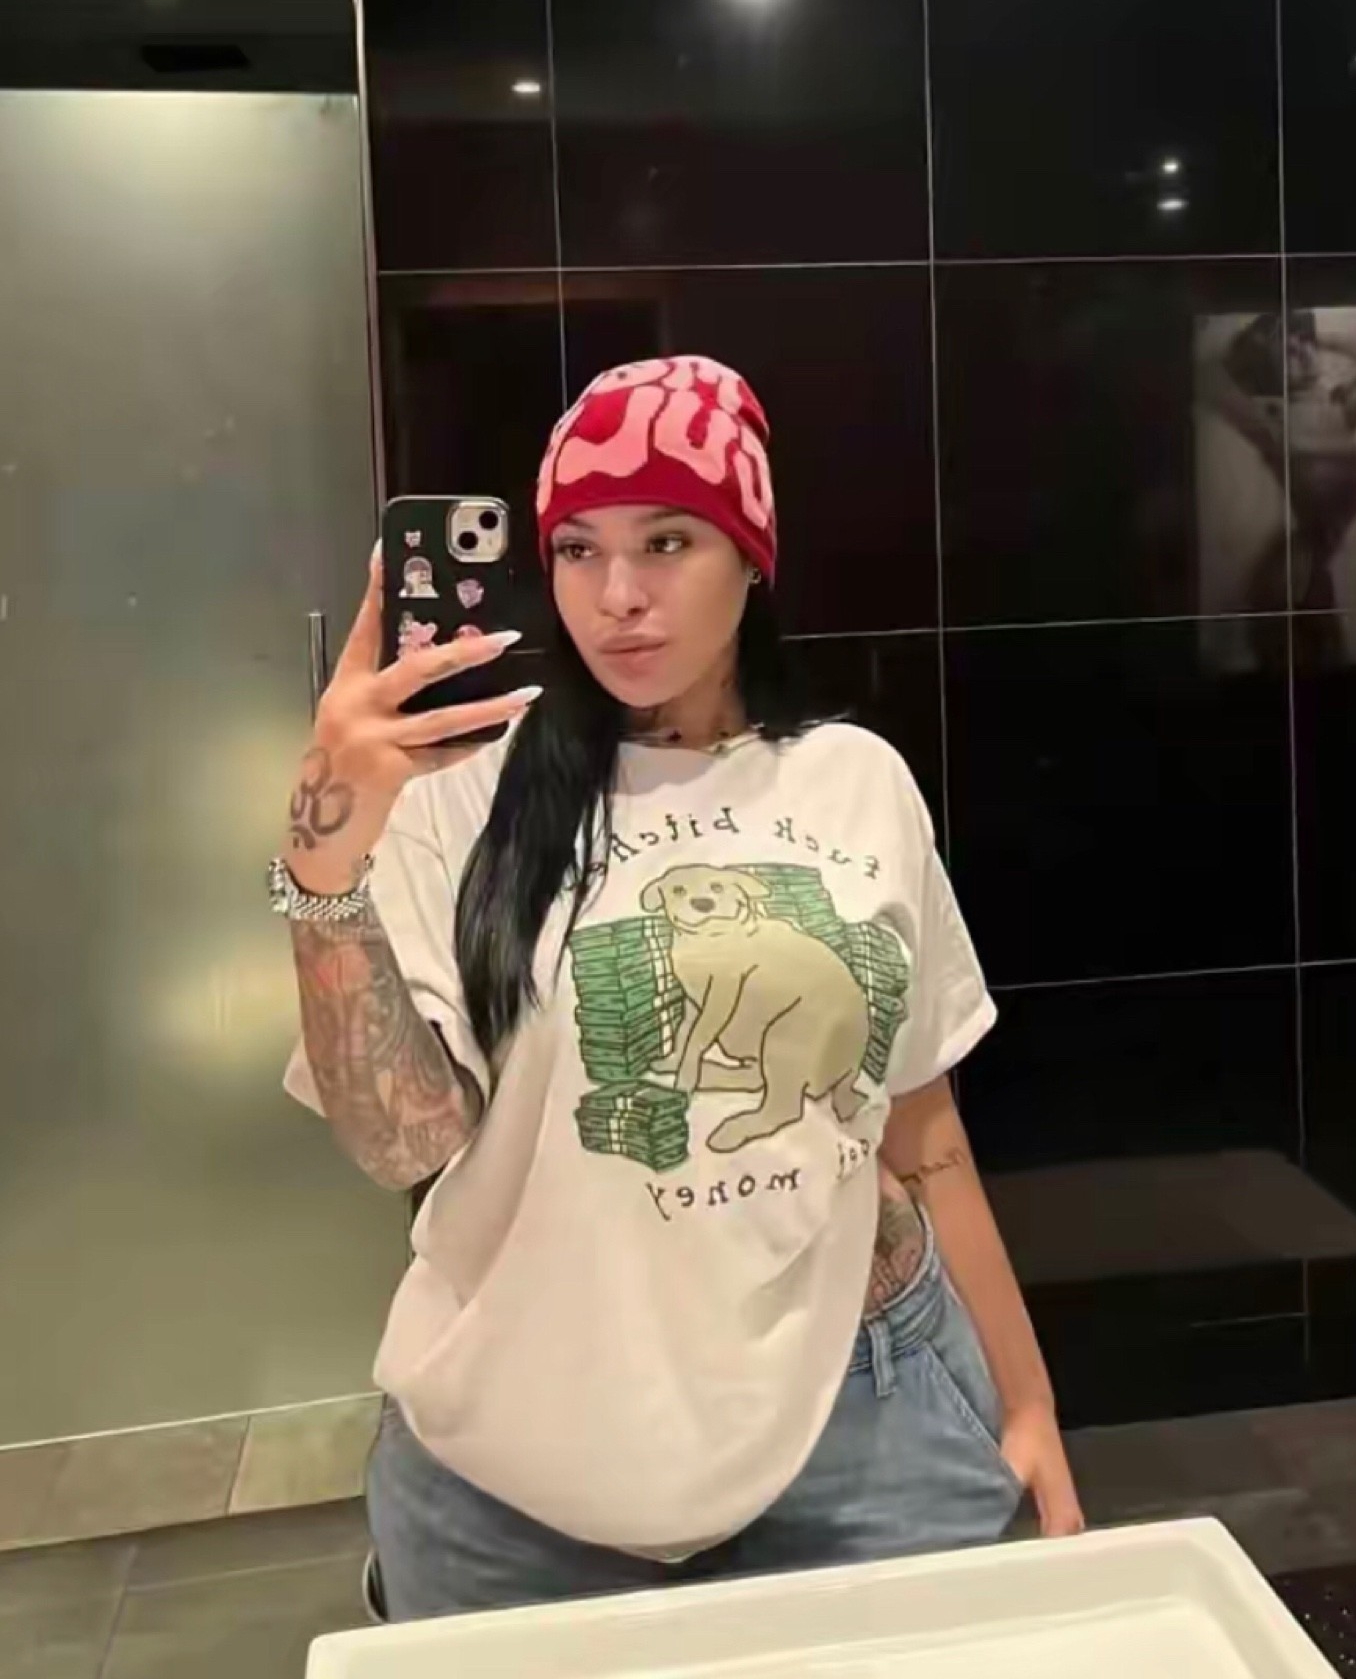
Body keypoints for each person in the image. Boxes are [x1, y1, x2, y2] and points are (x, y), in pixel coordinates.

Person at [272, 354, 1083, 1623]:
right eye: (578, 550)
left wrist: (1026, 1404)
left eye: (667, 541)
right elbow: (400, 1146)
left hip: (866, 1423)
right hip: (515, 1467)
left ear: (751, 558)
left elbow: (923, 1132)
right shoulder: (458, 791)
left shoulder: (855, 782)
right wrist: (324, 862)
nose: (619, 596)